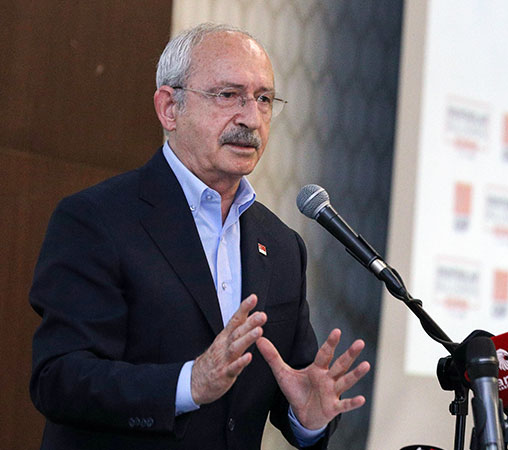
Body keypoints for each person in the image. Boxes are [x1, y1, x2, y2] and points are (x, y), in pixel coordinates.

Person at [29, 23, 369, 450]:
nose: (251, 118)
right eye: (228, 95)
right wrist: (188, 383)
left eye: (263, 99)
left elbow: (292, 385)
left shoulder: (282, 246)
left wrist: (307, 419)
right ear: (169, 108)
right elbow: (58, 379)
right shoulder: (96, 220)